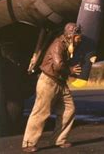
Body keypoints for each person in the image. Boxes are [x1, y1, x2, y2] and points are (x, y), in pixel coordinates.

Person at [22, 23, 82, 152]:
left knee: (69, 109)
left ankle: (58, 139)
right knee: (41, 112)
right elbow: (58, 64)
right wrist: (71, 70)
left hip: (60, 81)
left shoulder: (69, 44)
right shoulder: (58, 44)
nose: (80, 39)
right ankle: (28, 143)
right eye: (78, 36)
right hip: (48, 81)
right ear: (71, 36)